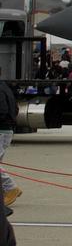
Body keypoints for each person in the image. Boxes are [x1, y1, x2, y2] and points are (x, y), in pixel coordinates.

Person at [0, 75, 18, 207]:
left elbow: (2, 111)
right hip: (7, 129)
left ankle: (10, 187)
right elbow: (15, 109)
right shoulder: (5, 87)